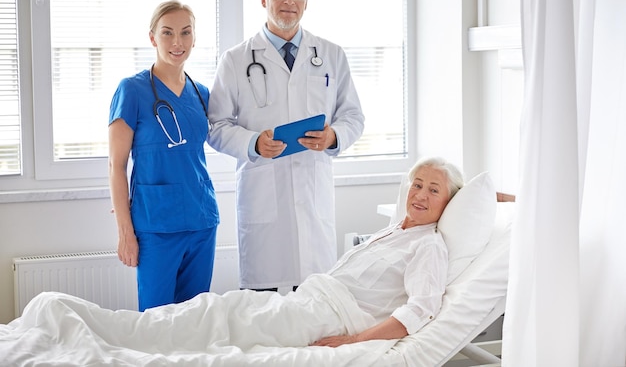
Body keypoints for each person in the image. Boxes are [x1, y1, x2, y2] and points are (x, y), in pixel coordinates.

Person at [5, 156, 464, 355]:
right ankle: (85, 327)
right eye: (417, 184)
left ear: (450, 202)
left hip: (322, 318)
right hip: (301, 301)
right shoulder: (395, 230)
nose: (420, 195)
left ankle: (96, 336)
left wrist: (350, 344)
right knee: (215, 307)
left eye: (434, 190)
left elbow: (419, 310)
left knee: (217, 322)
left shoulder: (428, 246)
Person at [208, 0, 365, 292]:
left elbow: (353, 116)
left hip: (313, 193)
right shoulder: (236, 60)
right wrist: (253, 143)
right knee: (262, 308)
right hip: (263, 195)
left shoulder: (331, 55)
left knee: (314, 302)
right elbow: (216, 125)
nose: (289, 1)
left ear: (306, 2)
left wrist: (333, 136)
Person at [108, 0, 220, 311]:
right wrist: (125, 233)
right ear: (153, 38)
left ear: (194, 38)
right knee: (156, 322)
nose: (177, 42)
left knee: (194, 319)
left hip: (201, 220)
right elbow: (116, 166)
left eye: (185, 33)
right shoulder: (131, 90)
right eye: (167, 33)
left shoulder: (201, 93)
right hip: (156, 225)